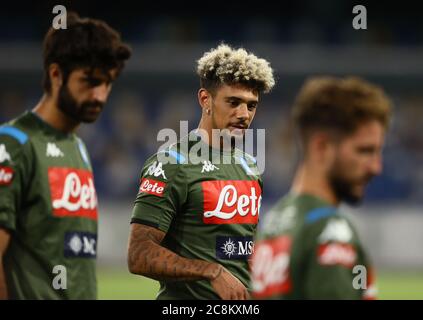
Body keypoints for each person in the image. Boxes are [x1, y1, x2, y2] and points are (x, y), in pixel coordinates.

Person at [127, 44, 275, 299]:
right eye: (234, 102)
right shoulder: (171, 163)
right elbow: (139, 254)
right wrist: (210, 272)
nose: (243, 114)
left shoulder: (250, 167)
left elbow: (241, 251)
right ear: (205, 99)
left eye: (251, 106)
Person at [0, 12, 131, 299]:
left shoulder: (77, 147)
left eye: (107, 83)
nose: (100, 95)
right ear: (56, 74)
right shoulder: (13, 146)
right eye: (90, 81)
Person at [251, 76, 392, 300]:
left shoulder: (274, 222)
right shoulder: (331, 232)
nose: (376, 167)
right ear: (322, 147)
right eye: (364, 151)